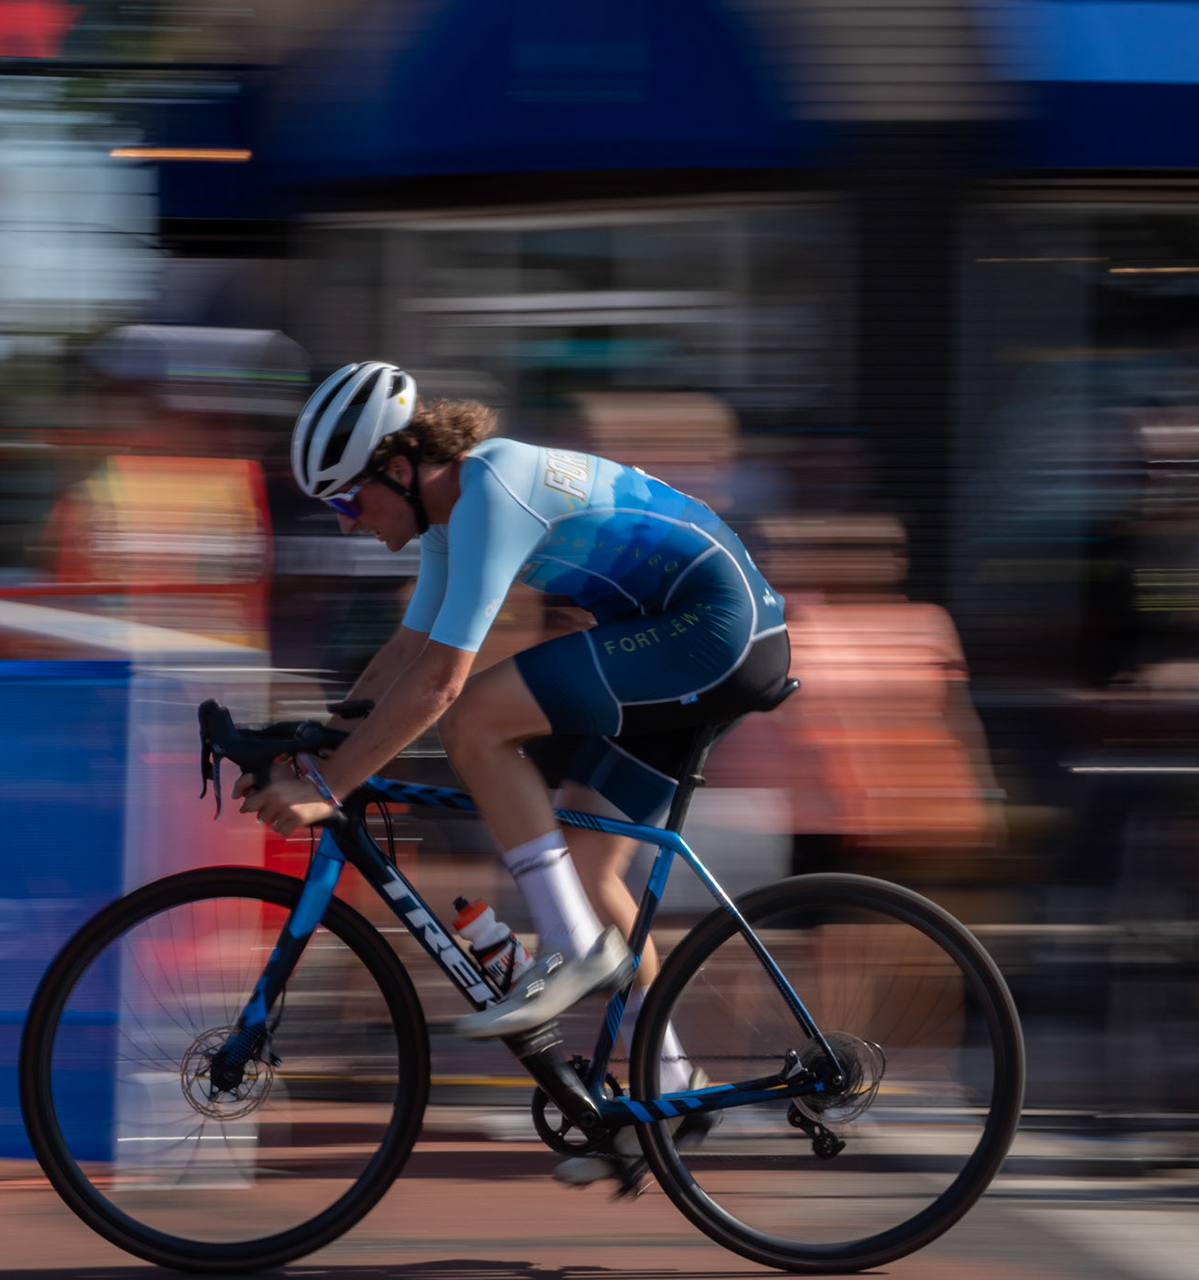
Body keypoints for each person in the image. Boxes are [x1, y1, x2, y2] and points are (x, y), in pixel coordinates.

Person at [235, 361, 793, 1185]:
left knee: (472, 720)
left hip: (711, 630)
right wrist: (316, 743)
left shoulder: (490, 491)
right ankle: (675, 1092)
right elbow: (406, 653)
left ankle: (570, 951)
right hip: (693, 636)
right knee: (588, 868)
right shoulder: (451, 517)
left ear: (399, 467)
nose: (349, 525)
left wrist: (329, 788)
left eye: (349, 501)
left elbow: (439, 684)